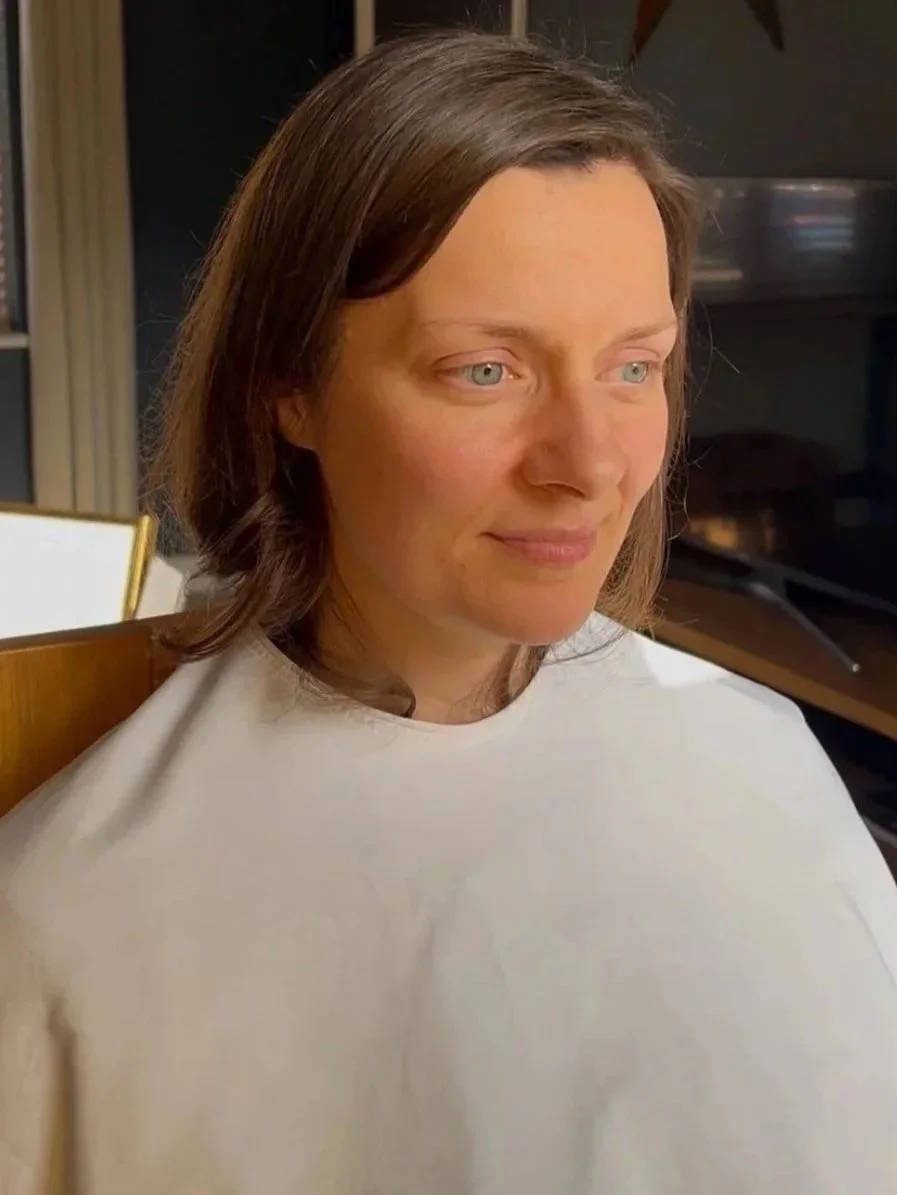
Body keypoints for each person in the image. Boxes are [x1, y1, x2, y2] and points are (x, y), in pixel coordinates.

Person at [2, 29, 896, 1195]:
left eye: (634, 366)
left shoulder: (761, 755)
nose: (589, 464)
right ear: (291, 389)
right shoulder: (75, 920)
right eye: (487, 369)